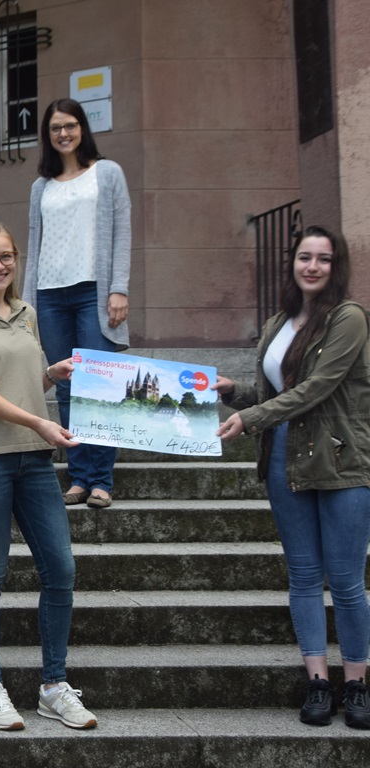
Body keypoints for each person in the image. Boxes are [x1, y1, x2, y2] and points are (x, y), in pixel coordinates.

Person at [0, 221, 98, 731]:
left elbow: (20, 381)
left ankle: (53, 686)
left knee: (61, 569)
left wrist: (50, 376)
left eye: (5, 256)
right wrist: (38, 421)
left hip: (34, 459)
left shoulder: (27, 314)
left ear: (15, 260)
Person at [214, 224, 370, 729]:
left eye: (323, 259)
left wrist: (254, 418)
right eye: (305, 257)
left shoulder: (349, 318)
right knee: (303, 577)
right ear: (293, 263)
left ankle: (357, 684)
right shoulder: (279, 322)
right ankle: (318, 683)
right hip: (283, 457)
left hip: (341, 460)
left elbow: (316, 390)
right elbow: (273, 398)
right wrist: (235, 392)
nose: (312, 267)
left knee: (345, 581)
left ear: (335, 266)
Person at [23, 97, 131, 509]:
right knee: (66, 389)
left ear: (82, 128)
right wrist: (29, 303)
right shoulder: (41, 187)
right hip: (50, 295)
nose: (63, 133)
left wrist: (118, 288)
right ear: (47, 136)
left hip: (92, 292)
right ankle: (79, 477)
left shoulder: (107, 174)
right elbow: (33, 247)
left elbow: (123, 232)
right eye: (55, 129)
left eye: (69, 126)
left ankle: (101, 480)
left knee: (98, 388)